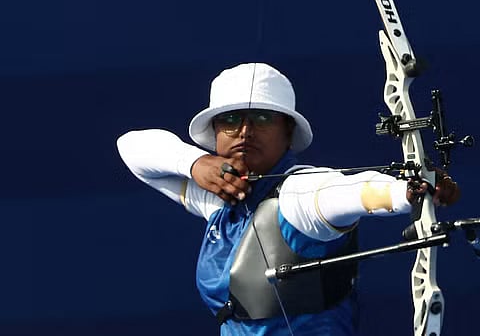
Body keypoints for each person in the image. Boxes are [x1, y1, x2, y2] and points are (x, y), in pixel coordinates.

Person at [117, 62, 459, 335]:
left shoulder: (300, 196)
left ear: (288, 131)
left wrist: (408, 190)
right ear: (216, 132)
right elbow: (130, 148)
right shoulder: (220, 200)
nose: (245, 131)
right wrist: (193, 163)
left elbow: (353, 191)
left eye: (262, 118)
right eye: (231, 120)